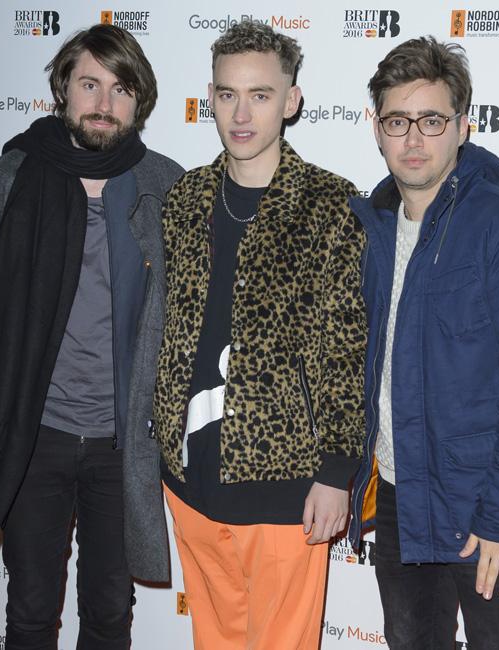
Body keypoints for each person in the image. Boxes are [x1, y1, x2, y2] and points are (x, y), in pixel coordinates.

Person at [348, 36, 499, 649]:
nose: (413, 138)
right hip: (400, 497)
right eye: (398, 121)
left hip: (486, 506)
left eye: (432, 120)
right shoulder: (371, 226)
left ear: (463, 125)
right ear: (376, 127)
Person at [153, 21, 366, 650]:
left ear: (291, 101)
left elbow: (347, 350)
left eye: (260, 95)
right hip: (188, 479)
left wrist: (337, 472)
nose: (241, 114)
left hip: (286, 487)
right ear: (210, 99)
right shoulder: (185, 197)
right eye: (227, 95)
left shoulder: (330, 205)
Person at [0, 23, 183, 649]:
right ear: (63, 88)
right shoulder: (10, 179)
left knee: (110, 613)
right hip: (35, 434)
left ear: (139, 102)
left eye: (121, 89)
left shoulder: (165, 185)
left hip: (123, 442)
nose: (103, 103)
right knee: (30, 612)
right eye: (90, 84)